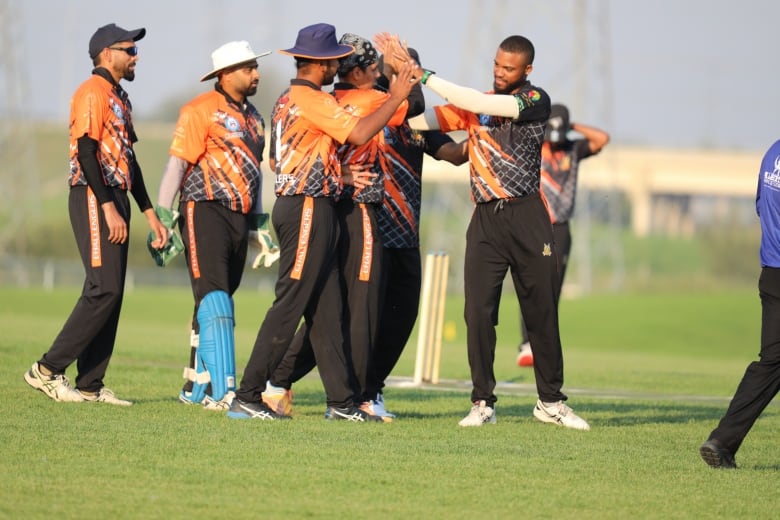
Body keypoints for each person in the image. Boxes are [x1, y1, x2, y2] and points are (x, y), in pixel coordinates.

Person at [227, 23, 418, 421]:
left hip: (313, 202)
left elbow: (288, 157)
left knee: (328, 309)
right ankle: (247, 395)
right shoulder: (309, 98)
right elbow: (362, 131)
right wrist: (397, 93)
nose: (338, 65)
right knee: (291, 303)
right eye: (332, 60)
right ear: (316, 63)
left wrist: (338, 176)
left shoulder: (290, 97)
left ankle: (342, 404)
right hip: (307, 208)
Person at [401, 34, 591, 429]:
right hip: (486, 220)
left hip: (528, 217)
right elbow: (421, 120)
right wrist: (402, 91)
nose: (500, 72)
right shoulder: (475, 107)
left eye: (509, 68)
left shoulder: (536, 101)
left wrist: (427, 75)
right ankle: (482, 402)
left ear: (527, 70)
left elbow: (482, 103)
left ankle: (550, 402)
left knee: (541, 311)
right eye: (497, 64)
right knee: (478, 312)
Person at [23, 23, 167, 406]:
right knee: (103, 287)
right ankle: (47, 370)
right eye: (129, 49)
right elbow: (87, 151)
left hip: (116, 196)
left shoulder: (120, 98)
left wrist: (150, 213)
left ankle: (90, 384)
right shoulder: (92, 92)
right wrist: (106, 206)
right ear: (107, 53)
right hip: (92, 194)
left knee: (112, 292)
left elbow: (129, 161)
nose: (136, 56)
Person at [150, 41, 278, 411]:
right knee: (215, 300)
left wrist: (258, 226)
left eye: (256, 67)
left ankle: (196, 387)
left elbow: (254, 175)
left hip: (240, 217)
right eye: (248, 68)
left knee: (212, 303)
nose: (256, 74)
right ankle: (224, 393)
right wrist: (163, 214)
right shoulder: (198, 110)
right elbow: (176, 165)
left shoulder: (255, 118)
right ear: (225, 75)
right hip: (203, 209)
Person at [699, 139, 780, 469]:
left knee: (771, 363)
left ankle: (722, 441)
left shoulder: (773, 153)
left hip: (773, 273)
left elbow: (761, 207)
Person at [516, 104, 610, 367]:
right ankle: (527, 344)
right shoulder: (535, 145)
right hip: (536, 225)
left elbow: (602, 139)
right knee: (533, 284)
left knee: (551, 288)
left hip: (560, 229)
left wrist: (572, 126)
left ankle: (542, 344)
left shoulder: (573, 149)